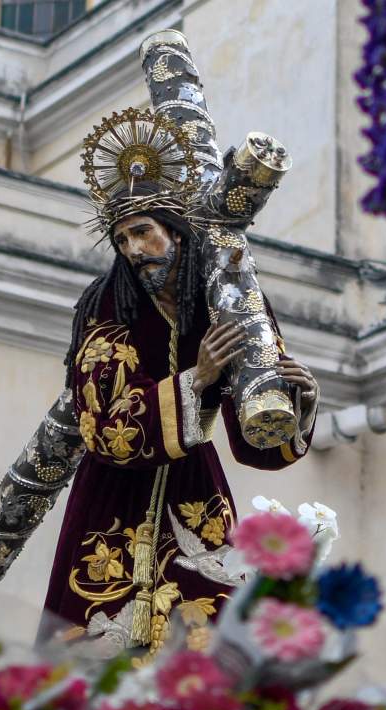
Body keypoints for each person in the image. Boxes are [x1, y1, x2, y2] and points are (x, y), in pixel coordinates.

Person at [39, 174, 319, 659]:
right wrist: (196, 380)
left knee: (211, 648)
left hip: (195, 493)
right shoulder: (107, 307)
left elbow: (259, 438)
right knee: (92, 654)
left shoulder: (227, 295)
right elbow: (103, 425)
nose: (133, 249)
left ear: (176, 230)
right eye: (121, 239)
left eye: (142, 231)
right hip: (113, 497)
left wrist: (300, 401)